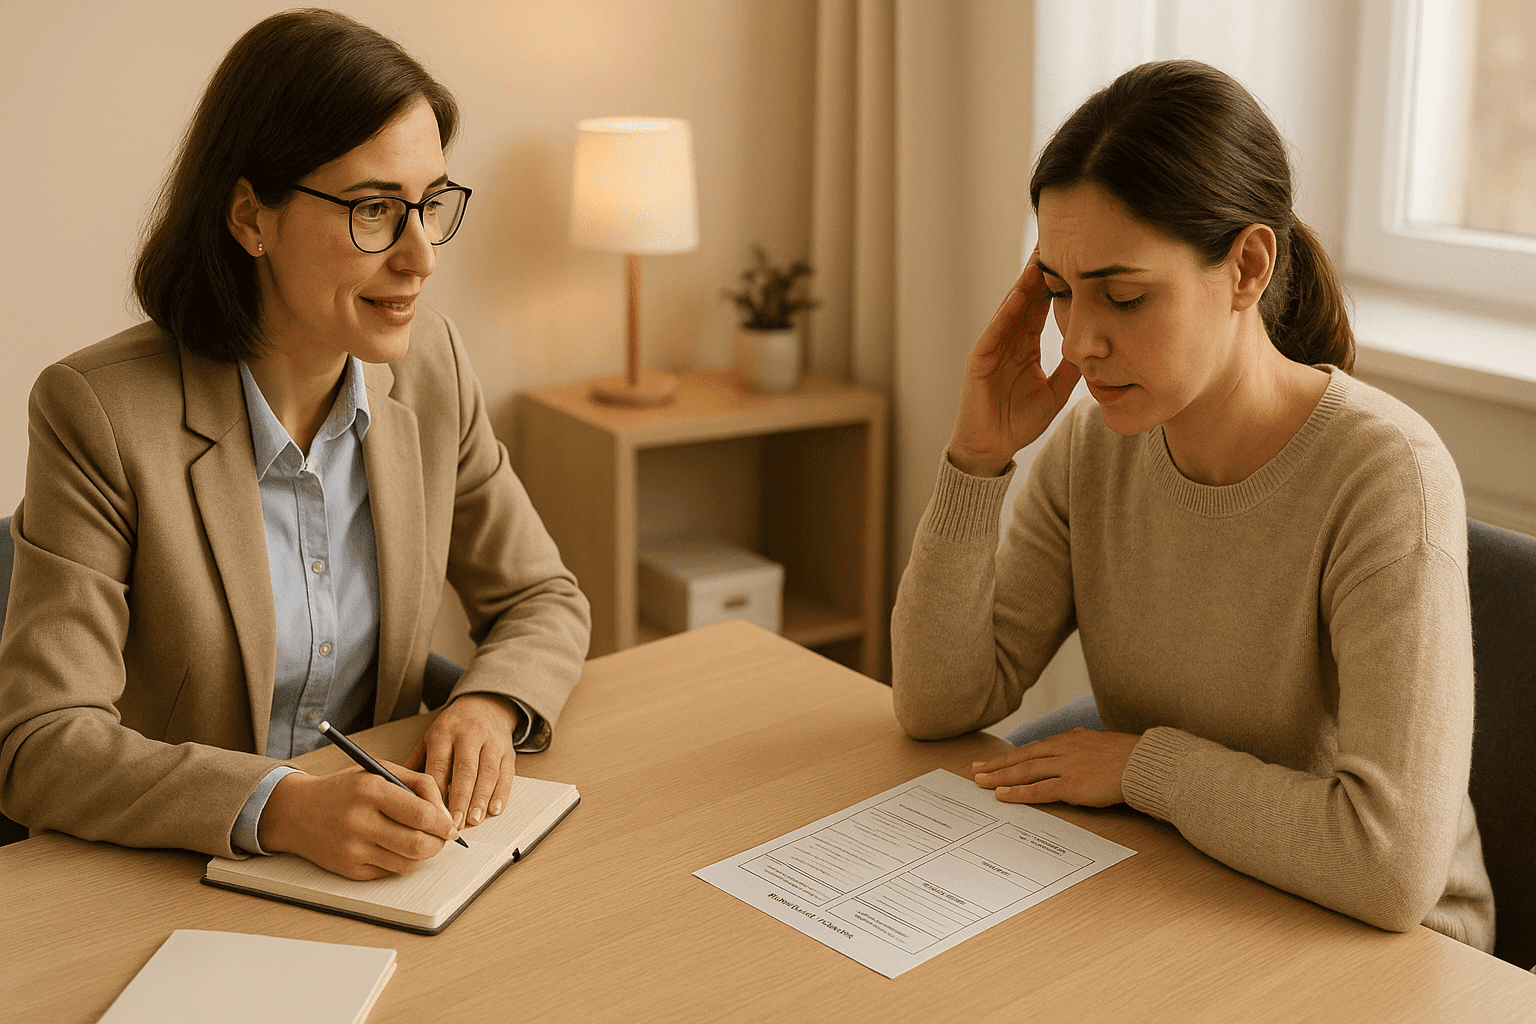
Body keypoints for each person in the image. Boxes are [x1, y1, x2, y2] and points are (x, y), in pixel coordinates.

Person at [891, 60, 1494, 950]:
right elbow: (938, 701)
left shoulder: (1386, 477)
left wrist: (1144, 767)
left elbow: (1390, 866)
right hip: (1193, 885)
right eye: (1058, 292)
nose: (1079, 342)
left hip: (1390, 951)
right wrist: (978, 460)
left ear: (1248, 265)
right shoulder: (1093, 448)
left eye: (1124, 296)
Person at [0, 10, 589, 880]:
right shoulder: (98, 413)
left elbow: (543, 596)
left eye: (430, 205)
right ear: (251, 216)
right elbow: (42, 743)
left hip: (391, 865)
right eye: (376, 210)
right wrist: (282, 806)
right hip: (167, 875)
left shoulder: (434, 369)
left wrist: (491, 704)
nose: (421, 257)